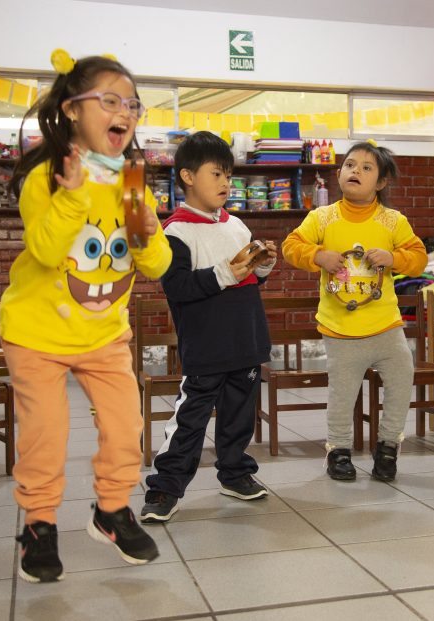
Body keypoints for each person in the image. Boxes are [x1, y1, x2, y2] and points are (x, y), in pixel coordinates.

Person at [0, 51, 172, 583]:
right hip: (37, 332)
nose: (125, 113)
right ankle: (39, 525)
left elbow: (157, 264)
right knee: (46, 434)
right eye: (111, 101)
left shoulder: (131, 181)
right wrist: (73, 198)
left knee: (125, 425)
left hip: (103, 334)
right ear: (73, 110)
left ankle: (112, 511)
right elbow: (48, 250)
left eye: (133, 105)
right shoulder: (47, 177)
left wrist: (147, 231)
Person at [141, 131, 277, 523]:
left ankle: (235, 474)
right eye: (216, 174)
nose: (225, 183)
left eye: (228, 176)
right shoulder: (175, 232)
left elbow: (249, 280)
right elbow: (178, 288)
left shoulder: (238, 226)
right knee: (190, 421)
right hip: (206, 347)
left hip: (247, 340)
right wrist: (224, 273)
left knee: (239, 418)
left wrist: (262, 264)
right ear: (187, 176)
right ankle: (166, 488)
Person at [282, 140, 427, 482]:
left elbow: (419, 257)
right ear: (339, 174)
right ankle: (339, 451)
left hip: (386, 326)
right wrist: (319, 256)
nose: (355, 171)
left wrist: (393, 258)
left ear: (381, 182)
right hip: (340, 328)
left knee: (402, 381)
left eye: (366, 167)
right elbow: (291, 245)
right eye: (349, 165)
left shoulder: (392, 221)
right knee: (342, 394)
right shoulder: (323, 217)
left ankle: (388, 448)